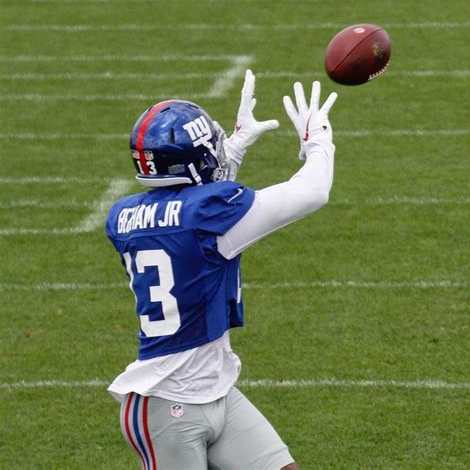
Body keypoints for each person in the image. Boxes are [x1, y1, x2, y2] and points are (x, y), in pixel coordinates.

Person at [105, 69, 337, 470]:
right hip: (167, 402)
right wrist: (319, 140)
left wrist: (230, 159)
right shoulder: (206, 216)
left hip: (214, 389)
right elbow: (312, 191)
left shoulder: (123, 216)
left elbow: (189, 225)